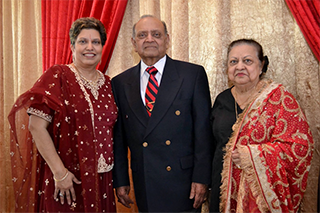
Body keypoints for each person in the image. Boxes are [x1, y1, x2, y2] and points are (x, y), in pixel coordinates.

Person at [8, 17, 117, 213]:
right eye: (83, 41)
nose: (89, 47)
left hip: (102, 181)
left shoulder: (109, 84)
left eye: (96, 42)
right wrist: (60, 173)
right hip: (67, 180)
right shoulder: (58, 76)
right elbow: (36, 126)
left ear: (102, 47)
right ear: (72, 46)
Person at [111, 15, 213, 213]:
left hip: (184, 184)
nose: (149, 39)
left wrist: (201, 178)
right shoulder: (120, 82)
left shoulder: (192, 75)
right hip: (145, 183)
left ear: (167, 39)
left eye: (156, 34)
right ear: (134, 43)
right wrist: (121, 179)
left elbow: (203, 133)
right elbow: (119, 138)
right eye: (142, 35)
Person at [209, 38, 314, 212]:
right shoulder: (222, 99)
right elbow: (212, 145)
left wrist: (252, 155)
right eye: (233, 61)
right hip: (222, 191)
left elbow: (301, 147)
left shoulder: (280, 98)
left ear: (262, 65)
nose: (240, 66)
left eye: (247, 61)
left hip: (261, 199)